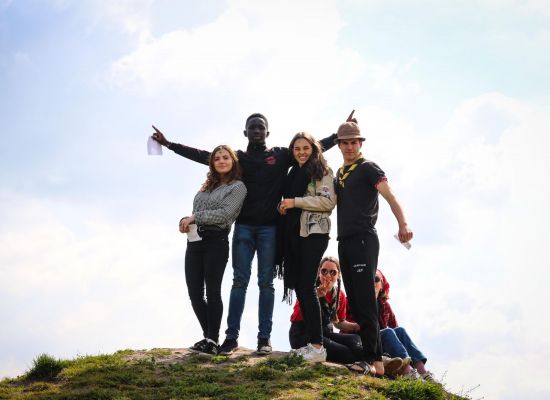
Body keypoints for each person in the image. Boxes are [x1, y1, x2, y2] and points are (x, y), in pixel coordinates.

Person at [152, 114, 337, 355]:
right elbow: (204, 156)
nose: (257, 130)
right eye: (252, 127)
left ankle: (264, 339)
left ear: (267, 133)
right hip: (244, 228)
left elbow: (311, 148)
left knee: (266, 283)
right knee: (239, 282)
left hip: (271, 229)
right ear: (245, 132)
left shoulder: (281, 155)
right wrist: (169, 145)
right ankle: (231, 338)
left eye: (261, 127)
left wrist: (338, 135)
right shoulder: (239, 158)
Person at [334, 115, 414, 376]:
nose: (349, 147)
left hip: (363, 239)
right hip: (343, 241)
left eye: (353, 142)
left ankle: (372, 360)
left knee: (366, 301)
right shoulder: (340, 172)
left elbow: (390, 196)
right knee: (355, 302)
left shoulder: (368, 167)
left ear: (360, 143)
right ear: (339, 145)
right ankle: (377, 363)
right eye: (344, 142)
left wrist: (403, 225)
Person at [180, 145, 247, 355]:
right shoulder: (205, 188)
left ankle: (213, 339)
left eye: (225, 157)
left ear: (233, 161)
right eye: (217, 158)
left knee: (213, 291)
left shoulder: (238, 187)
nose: (221, 161)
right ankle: (208, 337)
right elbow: (195, 212)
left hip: (216, 241)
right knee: (195, 294)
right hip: (194, 241)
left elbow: (226, 215)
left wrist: (195, 217)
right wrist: (186, 220)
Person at [276, 133, 336, 362]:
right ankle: (314, 344)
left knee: (306, 286)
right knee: (303, 288)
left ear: (314, 149)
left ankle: (317, 347)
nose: (301, 152)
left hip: (315, 233)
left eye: (306, 148)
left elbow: (327, 202)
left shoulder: (322, 171)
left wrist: (296, 202)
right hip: (297, 234)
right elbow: (292, 201)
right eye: (297, 149)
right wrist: (286, 207)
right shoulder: (293, 173)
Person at [375, 269, 436, 381]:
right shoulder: (356, 302)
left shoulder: (385, 306)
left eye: (375, 279)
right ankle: (407, 371)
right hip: (367, 342)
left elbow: (396, 329)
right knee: (388, 332)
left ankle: (424, 373)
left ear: (382, 285)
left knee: (400, 330)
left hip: (384, 345)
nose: (372, 283)